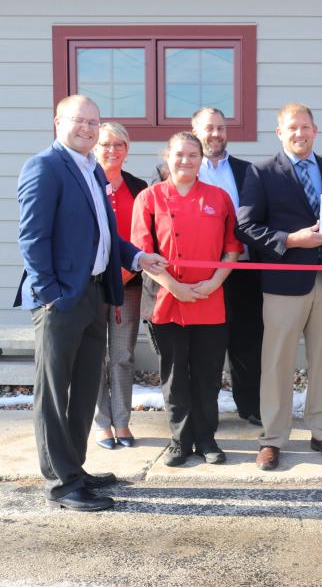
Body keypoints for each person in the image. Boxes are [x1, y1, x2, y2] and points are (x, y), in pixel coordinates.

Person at [16, 95, 165, 511]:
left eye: (93, 122)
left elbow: (103, 234)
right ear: (58, 122)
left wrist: (135, 256)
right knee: (54, 393)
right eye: (79, 120)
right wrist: (51, 295)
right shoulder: (44, 167)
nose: (87, 127)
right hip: (62, 300)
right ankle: (61, 484)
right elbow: (32, 238)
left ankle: (75, 469)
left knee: (83, 389)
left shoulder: (91, 168)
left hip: (97, 293)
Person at [237, 103, 322, 471]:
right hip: (284, 280)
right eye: (292, 128)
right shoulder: (263, 171)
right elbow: (247, 227)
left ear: (315, 130)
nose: (300, 133)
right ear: (280, 132)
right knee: (277, 362)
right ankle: (272, 438)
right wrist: (292, 240)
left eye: (306, 127)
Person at [132, 132, 241, 466]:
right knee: (175, 375)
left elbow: (232, 248)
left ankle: (207, 439)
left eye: (193, 155)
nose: (186, 161)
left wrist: (214, 282)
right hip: (167, 300)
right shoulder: (149, 198)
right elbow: (142, 253)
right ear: (167, 155)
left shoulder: (218, 197)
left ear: (201, 159)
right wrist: (175, 287)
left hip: (210, 298)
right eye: (179, 154)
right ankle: (180, 441)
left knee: (208, 376)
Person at [192, 107, 264, 428]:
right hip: (199, 274)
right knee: (205, 346)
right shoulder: (175, 168)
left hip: (244, 271)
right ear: (195, 131)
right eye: (208, 128)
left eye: (221, 128)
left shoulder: (248, 171)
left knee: (247, 343)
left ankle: (250, 407)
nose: (215, 134)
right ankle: (204, 412)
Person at [92, 122, 147, 451]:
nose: (112, 150)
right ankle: (102, 423)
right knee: (96, 355)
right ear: (95, 147)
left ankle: (122, 420)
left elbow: (142, 235)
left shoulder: (138, 186)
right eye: (105, 144)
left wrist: (125, 275)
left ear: (127, 149)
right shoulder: (86, 181)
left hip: (128, 284)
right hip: (95, 284)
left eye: (119, 145)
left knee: (123, 355)